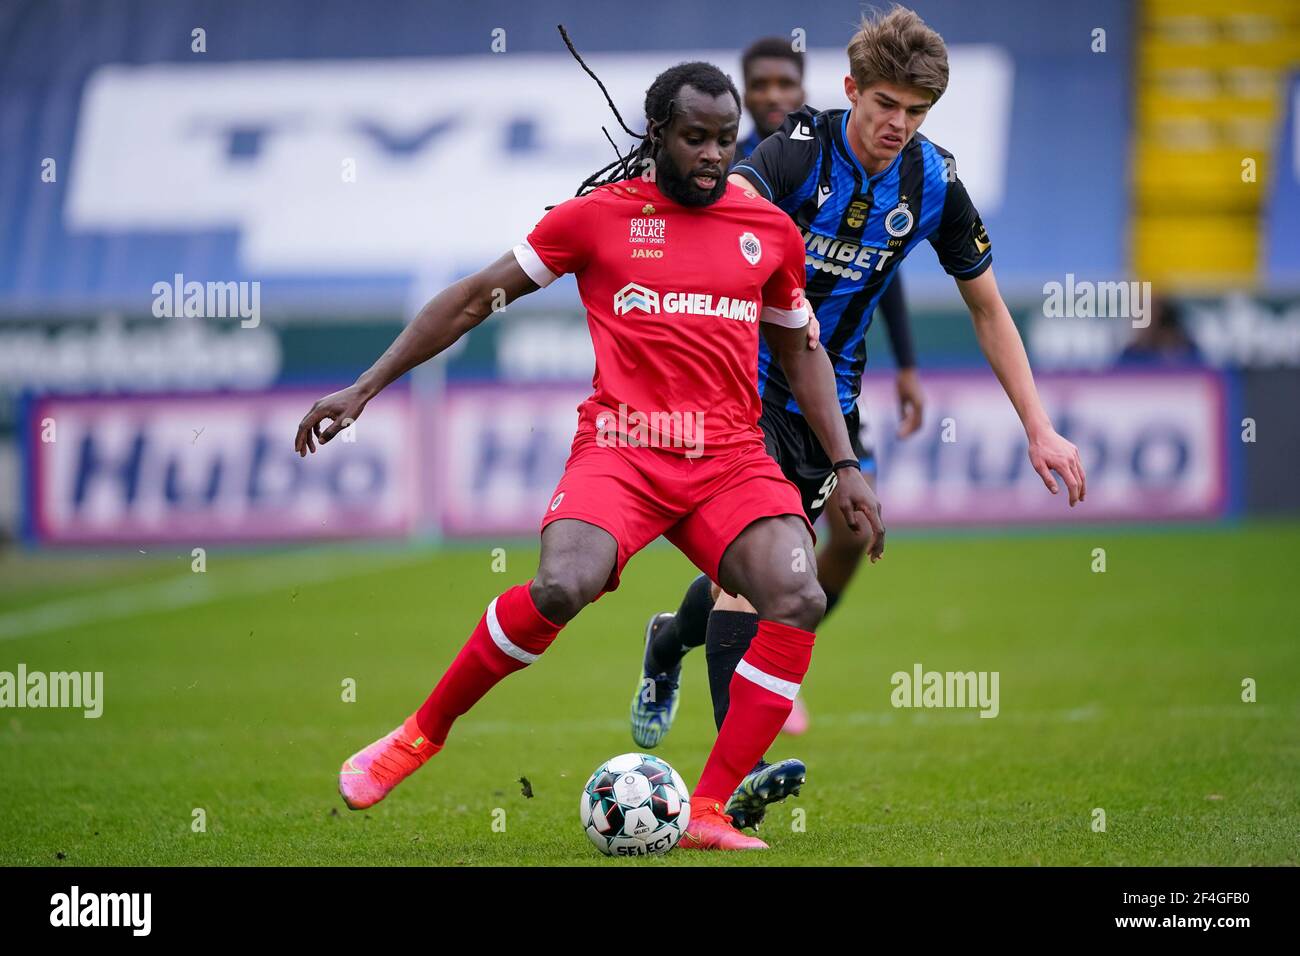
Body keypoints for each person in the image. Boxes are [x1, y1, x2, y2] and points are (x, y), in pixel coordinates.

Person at [294, 60, 884, 851]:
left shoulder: (767, 232)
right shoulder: (595, 220)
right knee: (561, 585)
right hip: (623, 451)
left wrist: (844, 464)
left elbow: (802, 349)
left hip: (729, 459)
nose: (713, 155)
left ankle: (707, 809)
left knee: (797, 594)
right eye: (695, 138)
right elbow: (474, 297)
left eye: (724, 139)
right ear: (659, 135)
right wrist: (364, 388)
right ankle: (418, 735)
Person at [631, 7, 1087, 831]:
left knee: (781, 571)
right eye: (884, 105)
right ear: (850, 91)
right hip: (737, 390)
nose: (897, 125)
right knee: (755, 575)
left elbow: (985, 307)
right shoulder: (798, 150)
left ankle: (670, 639)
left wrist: (1039, 425)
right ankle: (735, 782)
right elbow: (724, 205)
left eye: (915, 112)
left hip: (826, 402)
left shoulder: (933, 182)